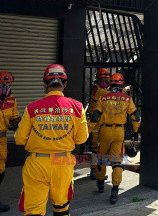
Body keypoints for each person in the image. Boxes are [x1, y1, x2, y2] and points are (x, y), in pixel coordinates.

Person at [14, 64, 88, 216]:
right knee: (61, 207)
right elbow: (81, 139)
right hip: (63, 162)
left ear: (44, 83)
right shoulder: (77, 107)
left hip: (36, 163)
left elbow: (20, 139)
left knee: (33, 210)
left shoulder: (32, 108)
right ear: (65, 84)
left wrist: (36, 142)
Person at [88, 73, 140, 204]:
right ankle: (115, 191)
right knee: (117, 161)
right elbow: (135, 117)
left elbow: (95, 117)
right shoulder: (127, 99)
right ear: (122, 84)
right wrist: (135, 132)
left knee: (101, 158)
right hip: (119, 132)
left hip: (104, 131)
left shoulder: (103, 98)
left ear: (110, 83)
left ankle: (100, 183)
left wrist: (87, 131)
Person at [0, 71, 20, 212]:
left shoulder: (12, 100)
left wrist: (16, 123)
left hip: (2, 139)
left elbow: (14, 117)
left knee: (1, 170)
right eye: (2, 84)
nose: (5, 86)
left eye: (8, 84)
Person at [86, 68, 110, 179]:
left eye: (107, 78)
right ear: (98, 79)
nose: (105, 81)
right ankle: (95, 172)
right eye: (104, 79)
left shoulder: (97, 88)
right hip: (96, 123)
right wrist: (123, 91)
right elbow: (109, 95)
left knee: (97, 149)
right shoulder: (99, 90)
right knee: (96, 148)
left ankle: (94, 171)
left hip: (99, 122)